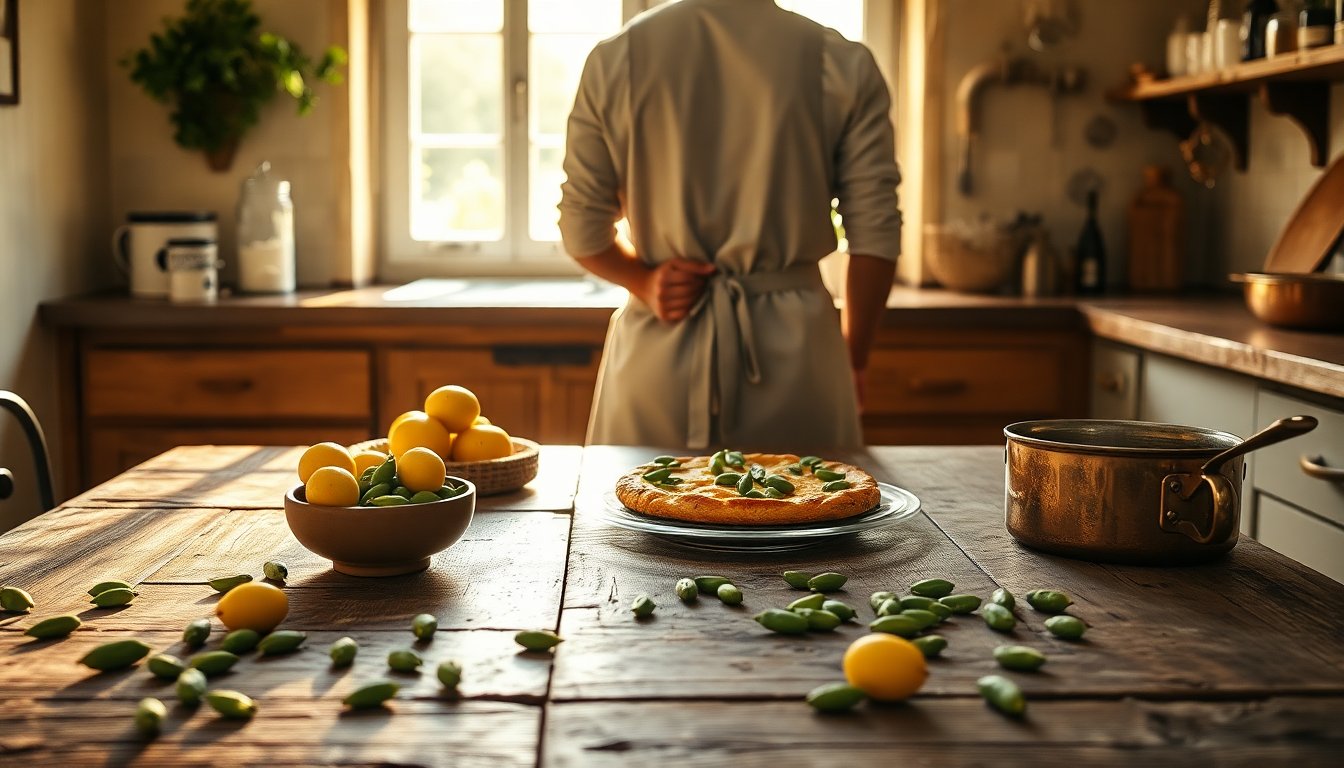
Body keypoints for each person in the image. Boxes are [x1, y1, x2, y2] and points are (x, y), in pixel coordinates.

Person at [558, 0, 901, 451]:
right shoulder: (840, 62)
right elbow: (876, 234)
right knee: (806, 494)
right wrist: (852, 359)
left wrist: (645, 282)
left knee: (642, 495)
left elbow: (581, 228)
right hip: (799, 361)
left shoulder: (617, 59)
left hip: (661, 353)